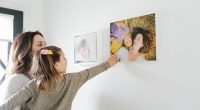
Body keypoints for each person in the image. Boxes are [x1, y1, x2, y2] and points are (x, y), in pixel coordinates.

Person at [0, 46, 119, 110]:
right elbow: (89, 73)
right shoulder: (72, 80)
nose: (67, 61)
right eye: (64, 58)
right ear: (56, 65)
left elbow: (8, 105)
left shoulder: (33, 85)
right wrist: (107, 64)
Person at [0, 31, 46, 110]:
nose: (45, 49)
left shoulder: (33, 78)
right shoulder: (17, 80)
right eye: (40, 44)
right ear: (26, 51)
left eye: (45, 44)